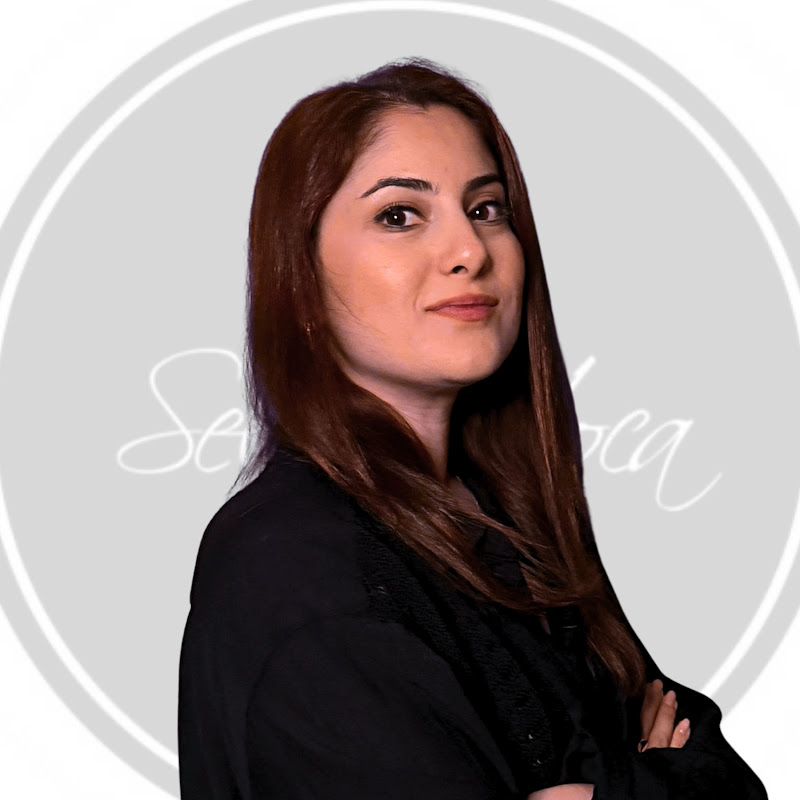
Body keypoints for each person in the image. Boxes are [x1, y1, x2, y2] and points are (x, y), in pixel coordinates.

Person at [177, 58, 768, 799]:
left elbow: (717, 765)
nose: (471, 252)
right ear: (300, 281)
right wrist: (641, 776)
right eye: (399, 216)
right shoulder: (296, 569)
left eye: (486, 209)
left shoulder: (509, 514)